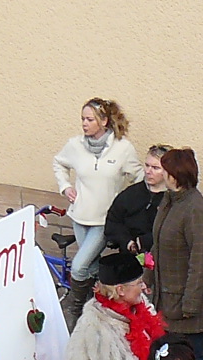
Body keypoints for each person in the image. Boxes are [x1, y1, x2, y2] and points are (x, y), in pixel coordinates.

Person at [53, 98, 143, 321]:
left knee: (78, 267)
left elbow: (139, 178)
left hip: (104, 221)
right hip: (79, 216)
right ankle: (99, 308)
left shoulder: (123, 148)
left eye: (90, 119)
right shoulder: (74, 145)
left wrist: (129, 207)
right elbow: (59, 163)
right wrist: (65, 187)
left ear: (104, 121)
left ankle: (75, 310)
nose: (84, 123)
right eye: (83, 119)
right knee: (91, 267)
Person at [149, 148, 203, 360]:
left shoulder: (195, 209)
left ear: (174, 175)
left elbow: (199, 260)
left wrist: (190, 304)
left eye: (163, 169)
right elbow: (157, 245)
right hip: (167, 297)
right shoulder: (169, 200)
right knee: (171, 357)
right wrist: (148, 279)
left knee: (192, 358)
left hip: (185, 302)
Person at [104, 144, 171, 257]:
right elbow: (113, 221)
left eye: (155, 168)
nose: (148, 171)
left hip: (162, 258)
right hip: (129, 256)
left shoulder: (173, 198)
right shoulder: (131, 194)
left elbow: (173, 230)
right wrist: (127, 242)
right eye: (147, 165)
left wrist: (144, 241)